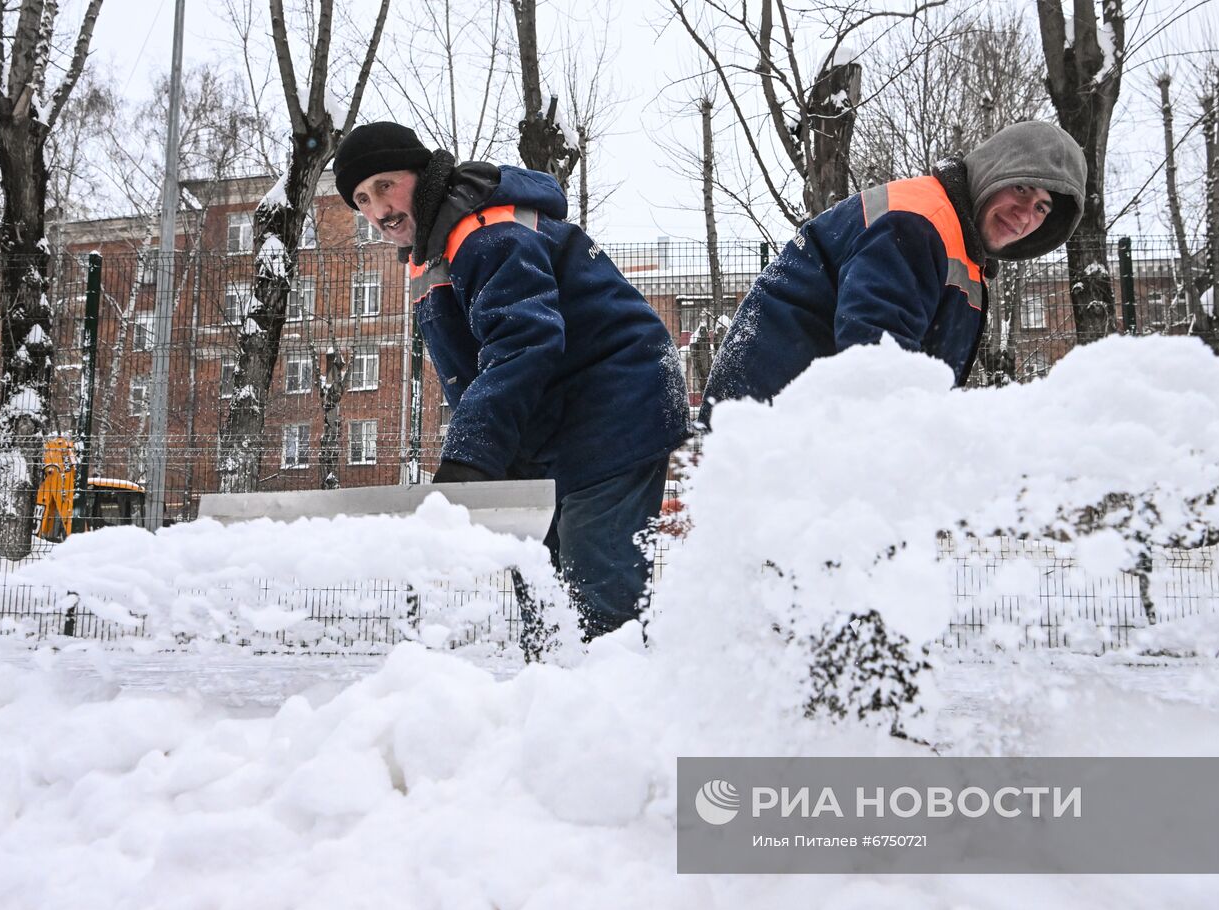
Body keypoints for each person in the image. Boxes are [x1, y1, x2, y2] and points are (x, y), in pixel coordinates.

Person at [332, 122, 690, 640]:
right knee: (543, 591)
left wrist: (470, 457)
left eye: (385, 186)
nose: (377, 211)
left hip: (618, 405)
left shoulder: (485, 230)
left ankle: (611, 700)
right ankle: (550, 702)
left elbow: (524, 341)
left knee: (594, 592)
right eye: (362, 200)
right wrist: (496, 462)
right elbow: (477, 369)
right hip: (557, 420)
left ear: (421, 173)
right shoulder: (434, 249)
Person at [699, 120, 1088, 424]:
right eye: (1020, 188)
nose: (1025, 215)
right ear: (993, 172)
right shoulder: (919, 224)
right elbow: (875, 358)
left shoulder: (956, 243)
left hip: (792, 422)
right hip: (771, 424)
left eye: (1042, 208)